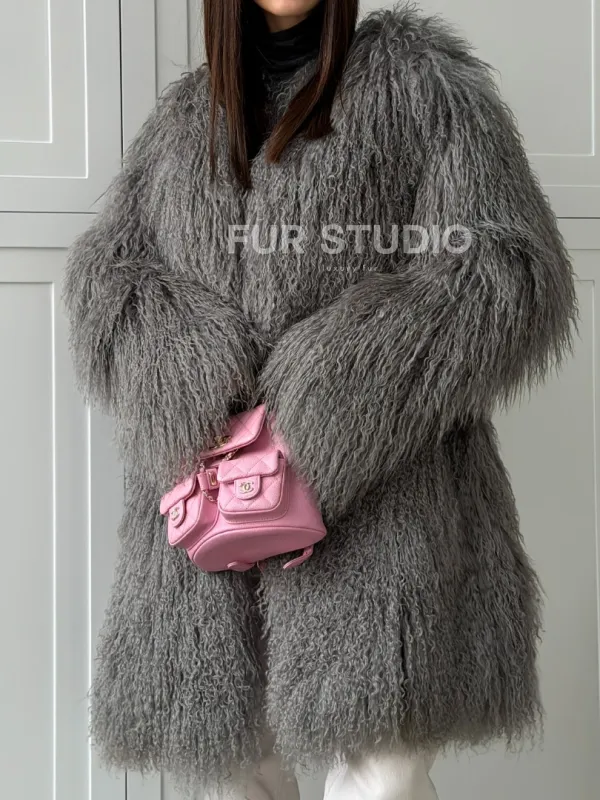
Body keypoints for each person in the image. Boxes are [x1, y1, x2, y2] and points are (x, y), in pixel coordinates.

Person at [64, 1, 577, 798]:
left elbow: (507, 267)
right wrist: (194, 372)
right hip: (212, 507)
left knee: (382, 776)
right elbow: (108, 277)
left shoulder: (420, 84)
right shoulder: (185, 120)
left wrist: (330, 394)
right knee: (240, 770)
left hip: (386, 509)